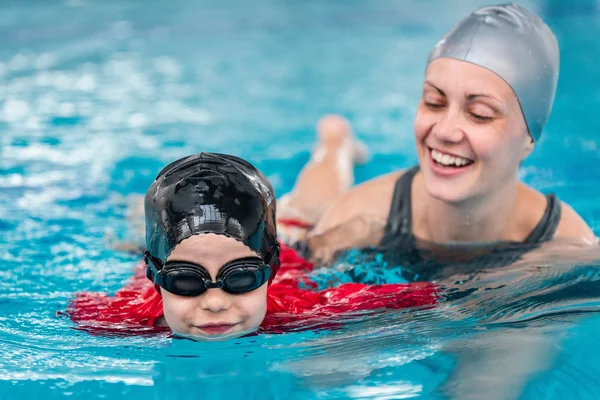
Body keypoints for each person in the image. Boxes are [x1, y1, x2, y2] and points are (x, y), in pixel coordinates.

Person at [68, 119, 437, 341]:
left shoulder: (299, 309)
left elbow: (422, 296)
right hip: (159, 247)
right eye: (185, 281)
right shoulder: (122, 317)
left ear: (269, 270)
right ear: (155, 277)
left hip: (294, 239)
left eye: (241, 277)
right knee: (140, 223)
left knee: (314, 202)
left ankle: (334, 142)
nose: (214, 302)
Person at [301, 4, 597, 271]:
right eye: (434, 102)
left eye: (480, 114)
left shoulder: (569, 247)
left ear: (528, 139)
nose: (444, 131)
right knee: (306, 210)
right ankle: (334, 143)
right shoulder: (357, 219)